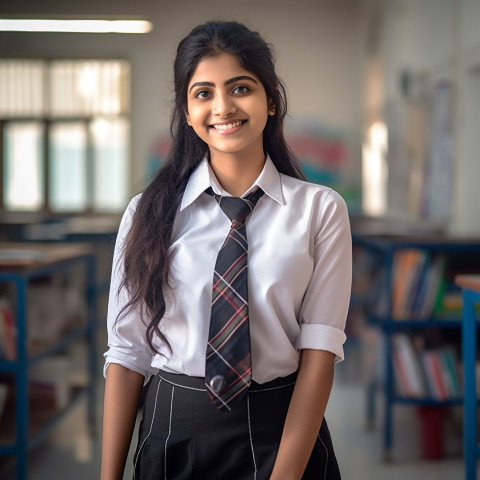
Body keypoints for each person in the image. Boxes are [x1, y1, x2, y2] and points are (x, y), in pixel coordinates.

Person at [101, 20, 352, 480]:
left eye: (241, 88)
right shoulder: (148, 213)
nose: (223, 107)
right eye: (203, 93)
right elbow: (127, 352)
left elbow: (319, 351)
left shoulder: (320, 210)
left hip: (285, 432)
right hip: (173, 431)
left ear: (271, 99)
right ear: (187, 109)